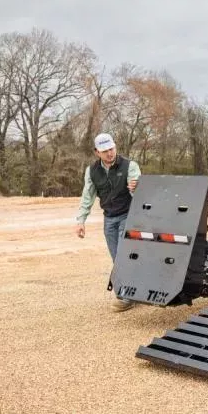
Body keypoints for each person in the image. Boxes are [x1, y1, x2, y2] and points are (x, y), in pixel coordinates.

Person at [76, 132, 141, 312]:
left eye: (111, 149)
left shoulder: (130, 166)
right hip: (109, 219)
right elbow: (87, 196)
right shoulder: (92, 171)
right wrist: (81, 220)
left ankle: (126, 296)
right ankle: (134, 291)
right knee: (116, 258)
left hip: (128, 216)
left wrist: (138, 187)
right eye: (105, 151)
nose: (110, 153)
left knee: (122, 257)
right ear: (97, 152)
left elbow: (138, 192)